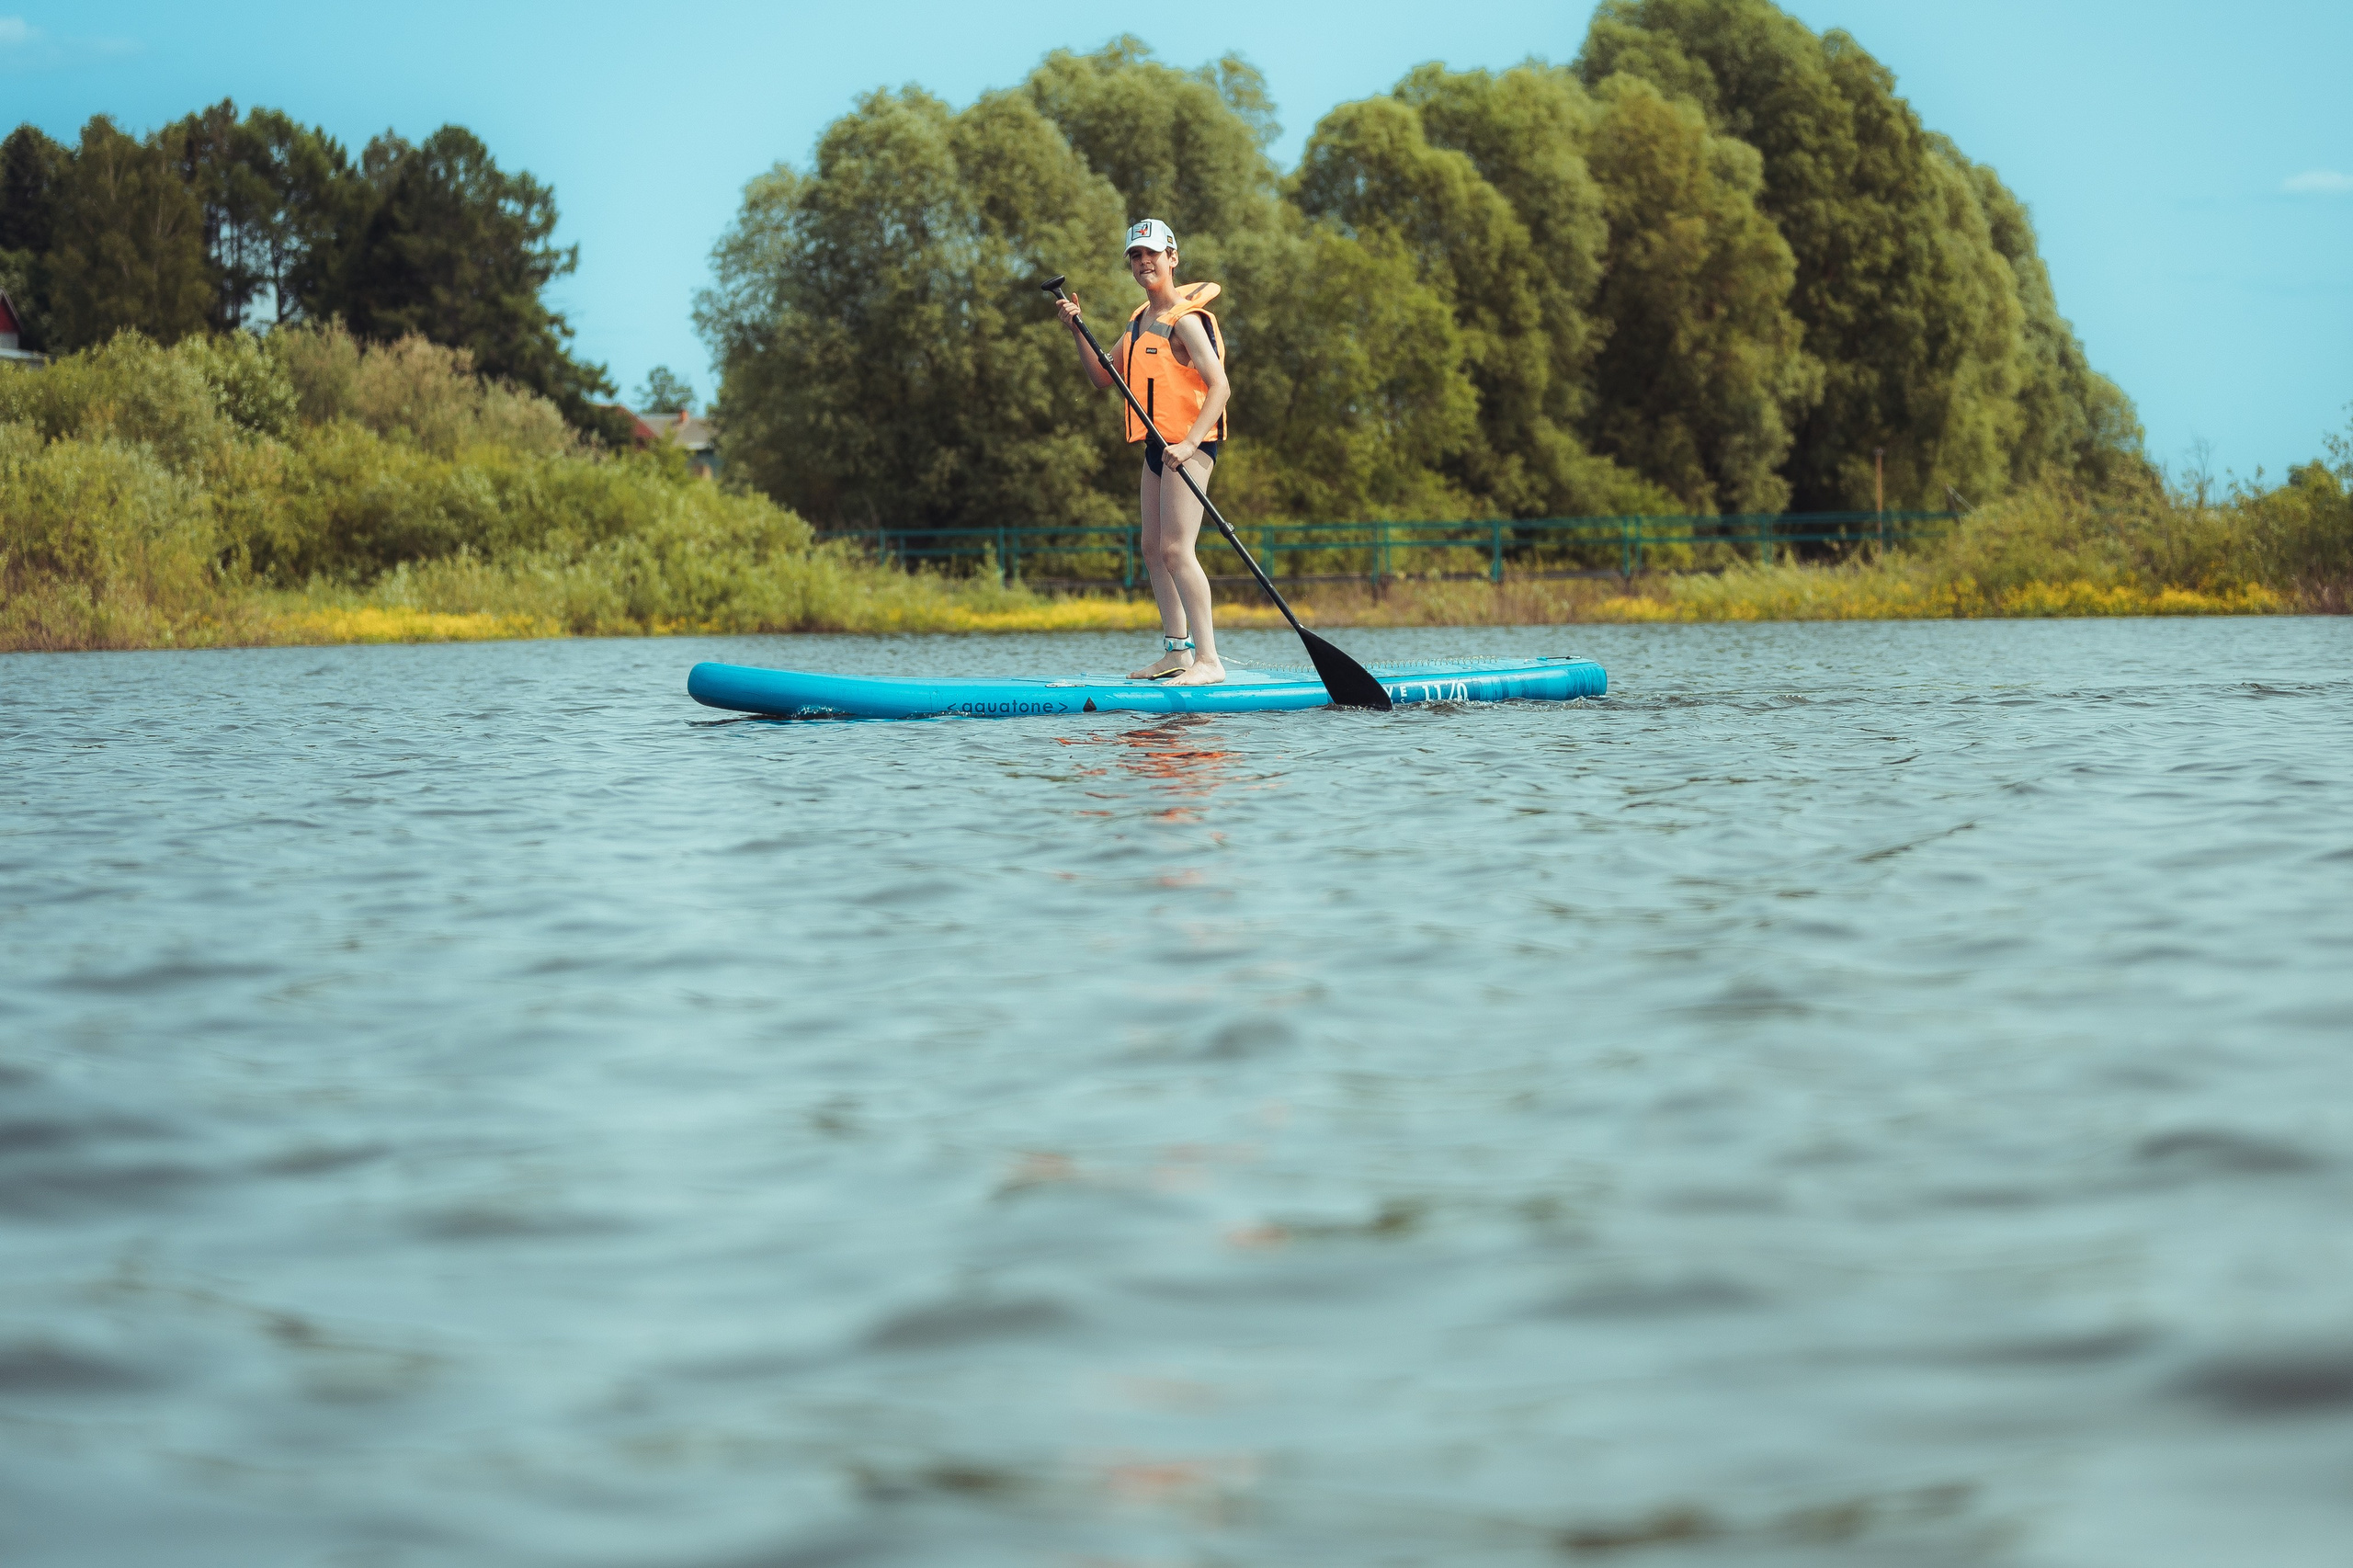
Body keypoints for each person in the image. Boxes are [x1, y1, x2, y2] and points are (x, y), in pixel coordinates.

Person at [1055, 218, 1233, 685]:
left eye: (1152, 253)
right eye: (1136, 256)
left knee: (1177, 549)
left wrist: (1190, 441)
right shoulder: (1139, 321)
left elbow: (1220, 386)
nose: (1143, 262)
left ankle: (1209, 661)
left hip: (1189, 447)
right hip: (1156, 447)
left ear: (1172, 258)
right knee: (1152, 549)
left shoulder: (1185, 319)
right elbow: (1102, 378)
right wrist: (1077, 330)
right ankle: (1177, 652)